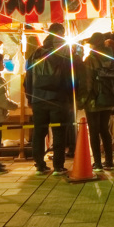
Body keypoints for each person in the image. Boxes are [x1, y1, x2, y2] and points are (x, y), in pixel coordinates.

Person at [25, 23, 74, 176]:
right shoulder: (64, 53)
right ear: (60, 33)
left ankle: (39, 164)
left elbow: (28, 78)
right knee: (59, 132)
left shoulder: (35, 53)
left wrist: (30, 98)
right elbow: (70, 78)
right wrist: (71, 99)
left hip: (38, 99)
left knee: (39, 132)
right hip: (58, 99)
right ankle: (58, 166)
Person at [78, 32, 114, 172]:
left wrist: (82, 100)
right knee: (105, 130)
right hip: (108, 99)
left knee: (94, 131)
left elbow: (87, 83)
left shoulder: (91, 59)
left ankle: (97, 162)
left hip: (94, 101)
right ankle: (109, 161)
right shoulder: (112, 58)